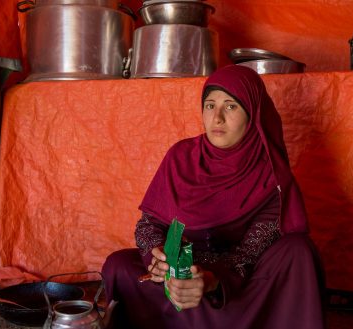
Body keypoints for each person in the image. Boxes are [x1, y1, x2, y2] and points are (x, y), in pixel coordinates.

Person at [101, 65, 324, 329]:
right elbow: (149, 224)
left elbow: (247, 255)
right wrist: (157, 260)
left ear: (253, 114)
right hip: (181, 267)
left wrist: (210, 280)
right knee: (119, 265)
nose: (216, 118)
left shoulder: (270, 175)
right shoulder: (181, 156)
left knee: (298, 251)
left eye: (230, 107)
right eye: (210, 105)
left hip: (235, 278)